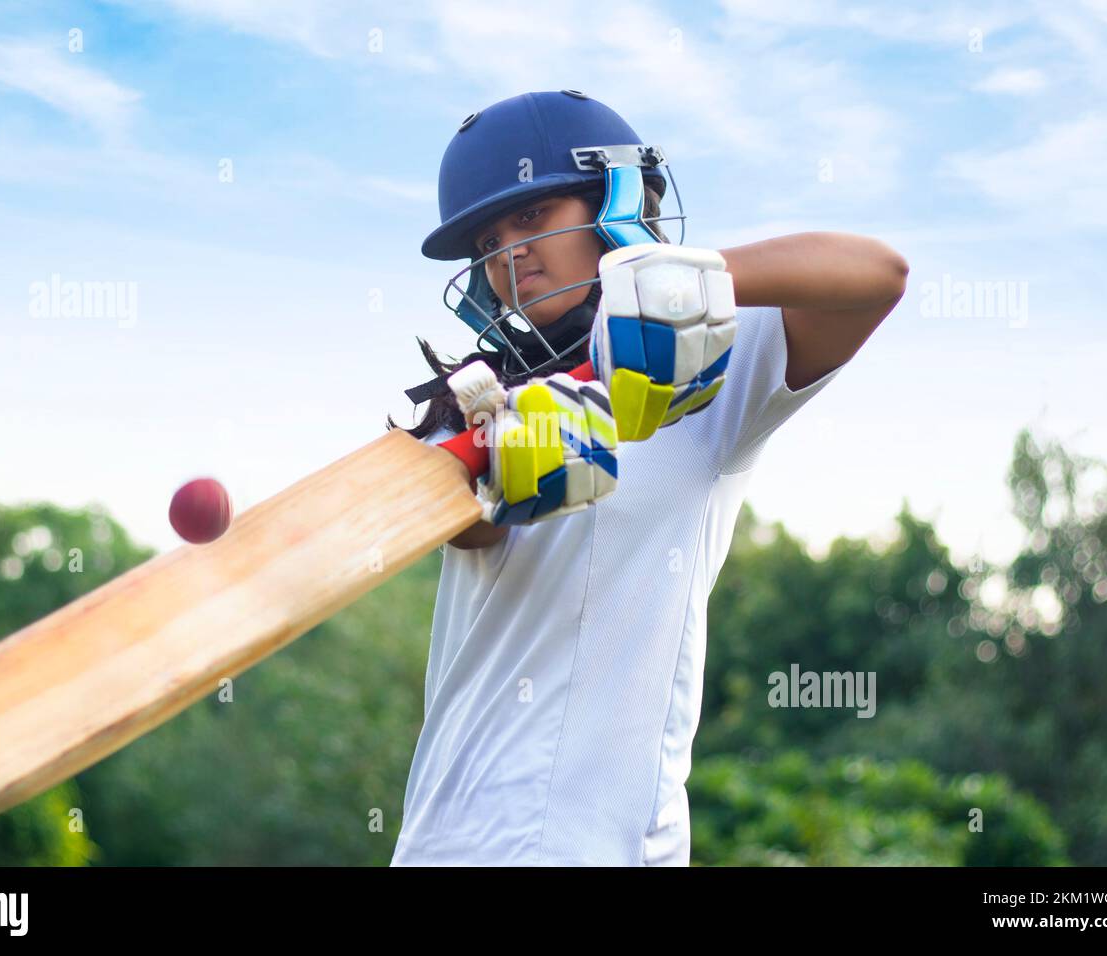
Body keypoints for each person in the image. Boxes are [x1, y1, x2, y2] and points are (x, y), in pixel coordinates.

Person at [388, 90, 908, 865]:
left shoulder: (707, 376)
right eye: (489, 240)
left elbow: (877, 274)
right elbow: (460, 522)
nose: (509, 256)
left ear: (620, 202)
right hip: (446, 848)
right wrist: (498, 465)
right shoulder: (470, 403)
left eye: (532, 217)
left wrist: (673, 283)